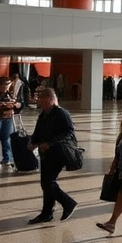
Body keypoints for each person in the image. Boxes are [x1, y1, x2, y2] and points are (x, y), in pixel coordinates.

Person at [27, 89, 78, 224]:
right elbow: (38, 132)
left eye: (41, 98)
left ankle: (68, 203)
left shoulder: (61, 114)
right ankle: (47, 213)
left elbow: (69, 133)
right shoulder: (44, 114)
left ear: (50, 98)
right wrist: (33, 142)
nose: (39, 102)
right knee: (46, 183)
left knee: (47, 182)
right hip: (46, 154)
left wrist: (50, 143)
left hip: (58, 153)